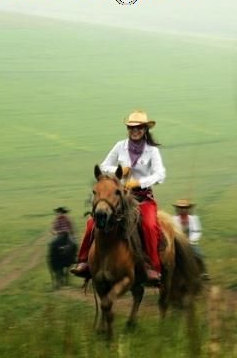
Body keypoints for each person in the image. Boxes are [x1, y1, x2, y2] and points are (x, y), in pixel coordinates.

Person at [71, 110, 166, 283]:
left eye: (138, 127)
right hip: (119, 197)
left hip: (142, 198)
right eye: (131, 127)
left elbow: (160, 174)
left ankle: (152, 267)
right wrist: (120, 171)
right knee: (93, 221)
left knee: (150, 225)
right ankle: (84, 261)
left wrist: (139, 182)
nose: (134, 130)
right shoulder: (119, 146)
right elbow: (104, 165)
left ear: (145, 129)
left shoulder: (152, 151)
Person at [172, 199, 210, 279]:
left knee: (198, 255)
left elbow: (197, 231)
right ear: (178, 209)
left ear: (188, 209)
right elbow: (173, 231)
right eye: (180, 208)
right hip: (177, 242)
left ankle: (203, 272)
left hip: (191, 242)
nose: (182, 210)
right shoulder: (173, 219)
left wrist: (190, 240)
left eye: (185, 208)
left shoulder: (194, 219)